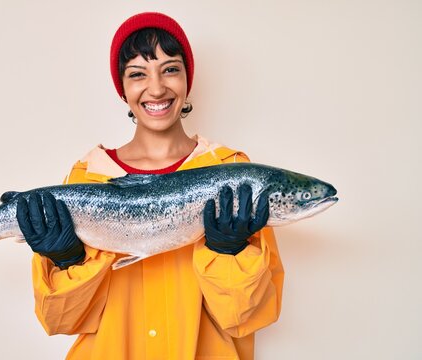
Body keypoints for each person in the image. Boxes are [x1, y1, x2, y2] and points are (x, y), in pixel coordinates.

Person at [16, 12, 284, 359]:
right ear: (122, 88)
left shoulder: (233, 175)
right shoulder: (86, 178)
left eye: (170, 69)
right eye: (137, 74)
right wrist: (68, 260)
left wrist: (229, 252)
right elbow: (60, 320)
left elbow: (250, 315)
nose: (156, 88)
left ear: (188, 77)